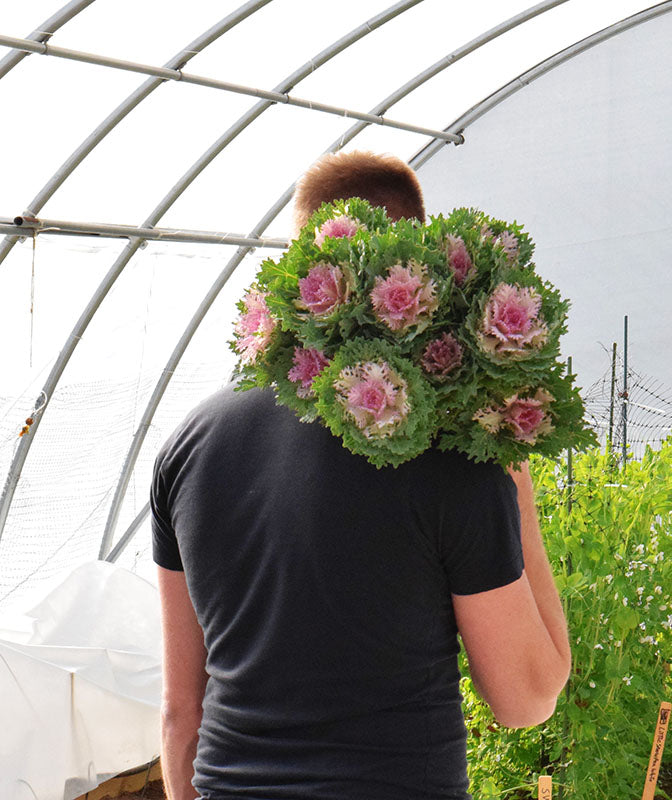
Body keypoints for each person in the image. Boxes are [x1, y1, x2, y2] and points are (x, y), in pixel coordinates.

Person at [152, 151, 571, 800]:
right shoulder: (450, 456)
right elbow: (528, 696)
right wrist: (512, 479)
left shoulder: (190, 446)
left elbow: (183, 714)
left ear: (299, 261)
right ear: (417, 265)